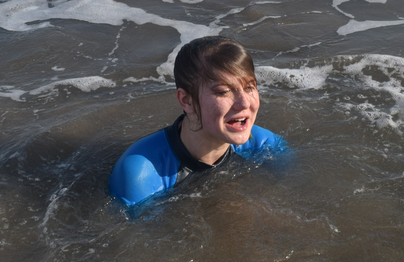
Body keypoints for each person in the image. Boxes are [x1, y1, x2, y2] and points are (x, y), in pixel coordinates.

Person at [108, 36, 286, 207]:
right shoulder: (139, 175)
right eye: (223, 91)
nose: (245, 103)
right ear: (186, 101)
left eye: (249, 88)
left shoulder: (264, 144)